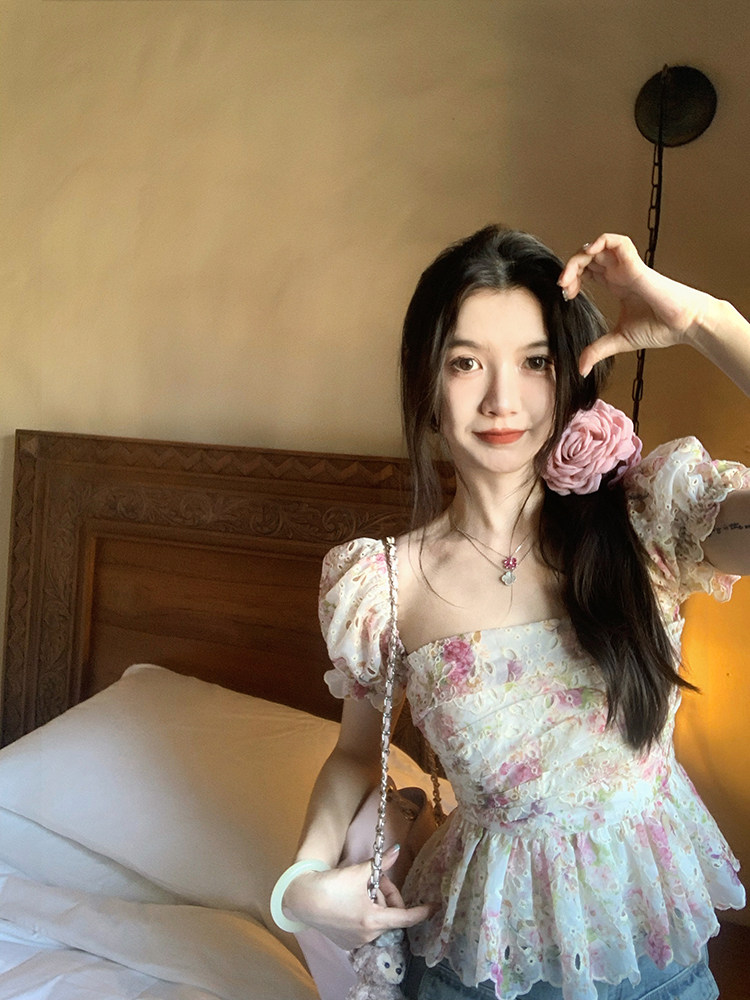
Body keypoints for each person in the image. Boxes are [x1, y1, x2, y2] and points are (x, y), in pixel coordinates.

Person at [272, 227, 750, 1000]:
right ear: (426, 385)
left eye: (535, 362)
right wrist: (298, 881)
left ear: (568, 375)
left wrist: (706, 322)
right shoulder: (382, 585)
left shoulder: (653, 522)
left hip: (658, 970)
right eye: (466, 363)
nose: (502, 400)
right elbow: (357, 754)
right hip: (476, 973)